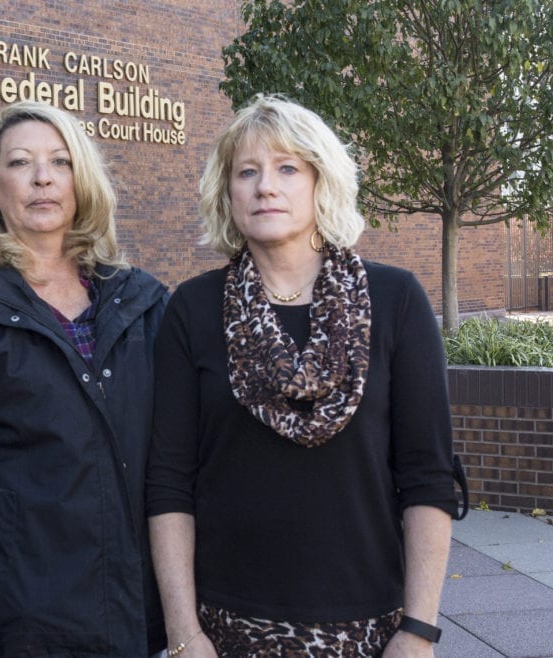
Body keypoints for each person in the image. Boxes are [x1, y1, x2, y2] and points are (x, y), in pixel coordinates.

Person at [146, 95, 457, 658]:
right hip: (226, 629)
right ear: (228, 192)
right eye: (248, 171)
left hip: (371, 628)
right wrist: (183, 633)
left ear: (322, 182)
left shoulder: (396, 301)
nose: (267, 186)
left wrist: (419, 630)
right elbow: (169, 482)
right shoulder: (192, 310)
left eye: (288, 168)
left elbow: (427, 476)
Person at [0, 100, 168, 658]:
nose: (43, 177)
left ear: (82, 180)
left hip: (143, 616)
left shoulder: (141, 302)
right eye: (20, 162)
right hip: (29, 629)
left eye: (60, 161)